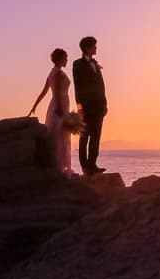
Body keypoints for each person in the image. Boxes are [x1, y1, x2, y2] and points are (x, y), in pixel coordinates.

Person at [28, 48, 74, 174]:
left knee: (57, 135)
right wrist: (60, 108)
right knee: (61, 135)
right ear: (60, 59)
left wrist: (34, 106)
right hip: (60, 105)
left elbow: (44, 92)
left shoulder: (52, 73)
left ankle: (58, 165)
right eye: (65, 58)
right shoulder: (58, 73)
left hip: (55, 105)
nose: (67, 60)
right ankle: (59, 167)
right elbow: (58, 92)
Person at [71, 35, 107, 175]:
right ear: (87, 48)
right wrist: (80, 107)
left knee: (96, 137)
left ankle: (93, 165)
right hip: (86, 107)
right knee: (84, 137)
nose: (96, 48)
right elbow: (77, 86)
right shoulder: (77, 64)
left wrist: (105, 104)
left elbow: (101, 86)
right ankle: (85, 167)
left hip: (99, 107)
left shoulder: (96, 63)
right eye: (94, 46)